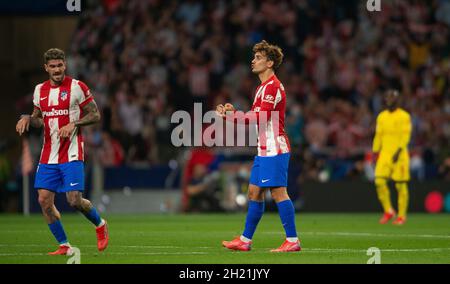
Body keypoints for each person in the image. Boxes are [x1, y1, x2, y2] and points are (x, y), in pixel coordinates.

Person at [15, 48, 109, 255]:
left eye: (60, 65)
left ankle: (100, 224)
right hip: (49, 153)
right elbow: (39, 119)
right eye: (53, 66)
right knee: (43, 200)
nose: (57, 70)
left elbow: (95, 114)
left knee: (73, 199)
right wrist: (28, 118)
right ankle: (64, 244)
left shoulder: (77, 87)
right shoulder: (40, 90)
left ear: (64, 65)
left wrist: (74, 123)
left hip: (72, 152)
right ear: (46, 68)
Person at [216, 40, 300, 252]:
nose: (253, 61)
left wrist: (232, 116)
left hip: (275, 148)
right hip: (263, 150)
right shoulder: (262, 88)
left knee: (279, 193)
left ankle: (292, 240)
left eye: (259, 58)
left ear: (270, 63)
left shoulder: (273, 87)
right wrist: (232, 114)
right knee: (254, 192)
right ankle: (245, 240)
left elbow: (260, 118)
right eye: (254, 57)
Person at [372, 89, 412, 225]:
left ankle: (401, 216)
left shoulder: (404, 116)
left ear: (397, 100)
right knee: (379, 181)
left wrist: (399, 150)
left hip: (399, 155)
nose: (389, 100)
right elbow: (378, 136)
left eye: (391, 98)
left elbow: (405, 136)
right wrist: (375, 152)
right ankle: (388, 210)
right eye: (387, 98)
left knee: (400, 185)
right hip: (385, 154)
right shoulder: (381, 116)